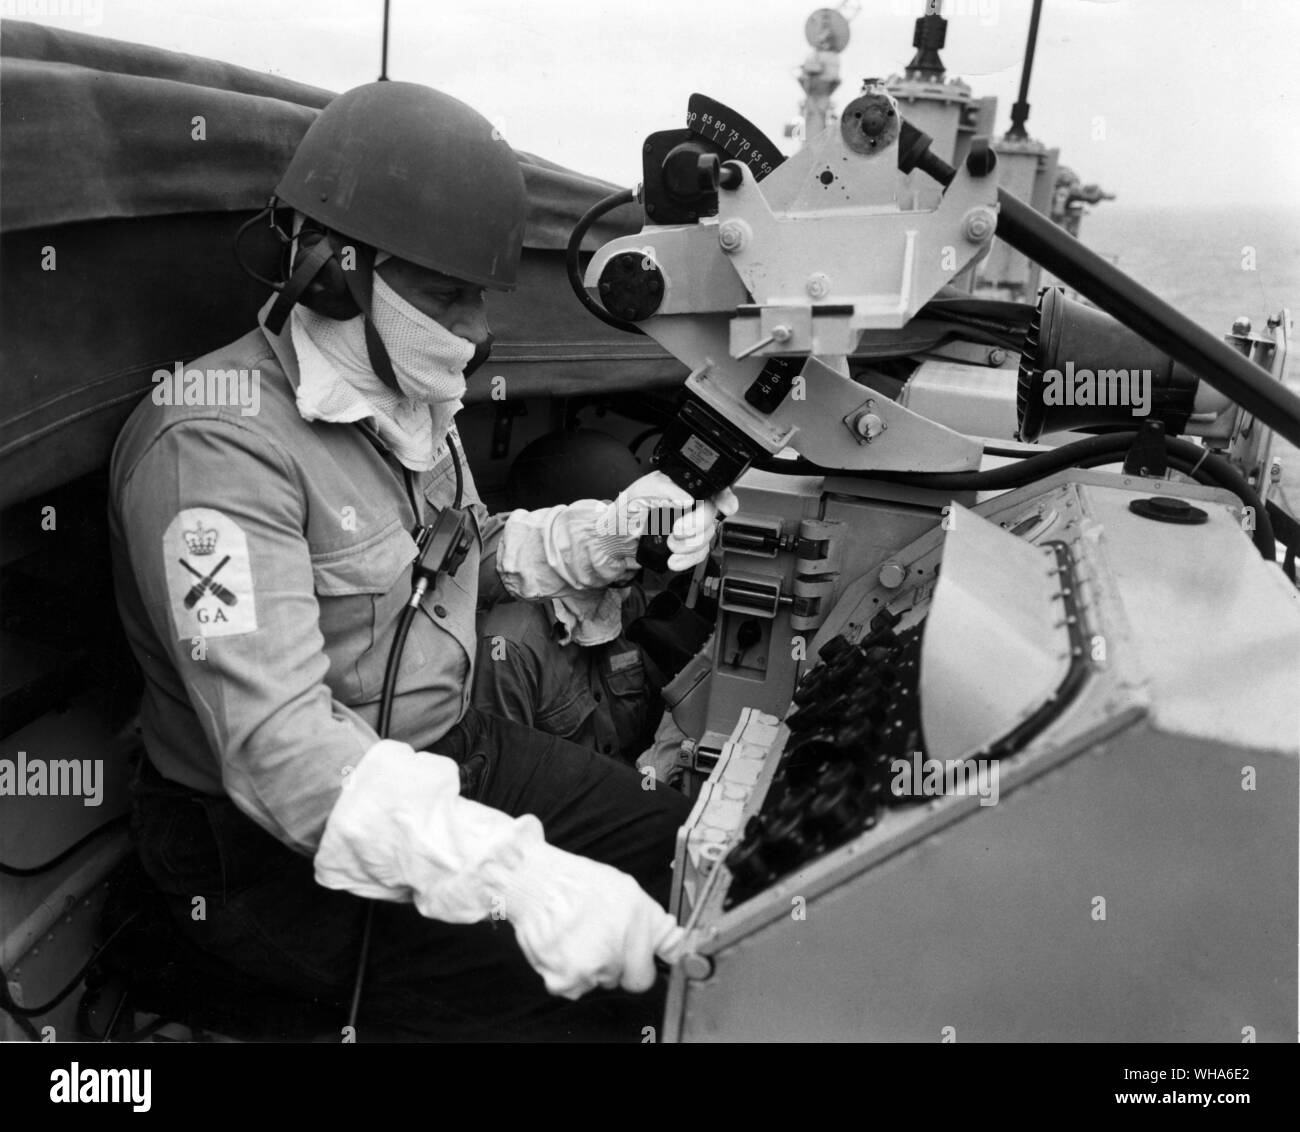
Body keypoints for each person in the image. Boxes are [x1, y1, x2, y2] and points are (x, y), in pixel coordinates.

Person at [108, 81, 736, 1040]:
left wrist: (608, 535)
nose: (478, 329)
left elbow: (465, 553)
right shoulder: (215, 448)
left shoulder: (402, 403)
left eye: (477, 294)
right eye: (447, 294)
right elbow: (282, 757)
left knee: (691, 854)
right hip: (269, 853)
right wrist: (517, 876)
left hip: (449, 752)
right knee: (607, 1006)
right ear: (334, 273)